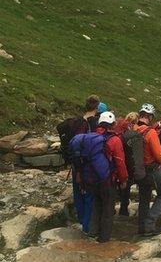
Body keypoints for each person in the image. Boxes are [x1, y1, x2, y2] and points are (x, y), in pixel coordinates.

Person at [59, 95, 100, 233]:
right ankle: (87, 227)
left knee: (77, 192)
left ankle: (81, 219)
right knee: (88, 194)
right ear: (97, 106)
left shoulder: (76, 122)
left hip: (74, 163)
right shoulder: (90, 123)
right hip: (85, 164)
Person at [87, 112, 128, 243]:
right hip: (108, 180)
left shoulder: (92, 137)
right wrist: (124, 179)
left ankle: (92, 232)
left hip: (93, 178)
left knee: (96, 205)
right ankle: (104, 238)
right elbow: (120, 162)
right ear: (113, 125)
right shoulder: (115, 140)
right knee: (108, 209)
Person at [135, 103, 161, 236]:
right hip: (153, 169)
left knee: (144, 197)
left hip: (139, 170)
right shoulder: (150, 133)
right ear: (150, 117)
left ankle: (141, 225)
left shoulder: (133, 129)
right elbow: (160, 157)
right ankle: (149, 225)